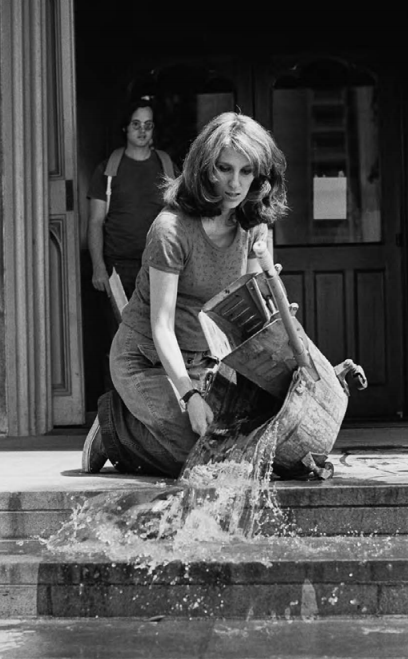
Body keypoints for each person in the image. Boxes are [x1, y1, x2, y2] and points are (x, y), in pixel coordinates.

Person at [82, 112, 288, 478]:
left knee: (249, 451)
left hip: (206, 362)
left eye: (246, 171)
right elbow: (161, 325)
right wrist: (189, 397)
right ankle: (115, 426)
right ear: (205, 168)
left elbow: (247, 314)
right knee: (206, 459)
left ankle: (146, 427)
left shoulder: (252, 225)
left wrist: (269, 291)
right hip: (144, 360)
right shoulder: (171, 230)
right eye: (224, 168)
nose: (234, 183)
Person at [87, 97, 177, 326]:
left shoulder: (167, 165)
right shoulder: (107, 170)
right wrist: (98, 267)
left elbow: (183, 217)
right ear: (125, 127)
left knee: (159, 333)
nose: (142, 130)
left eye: (148, 125)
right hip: (118, 268)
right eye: (136, 124)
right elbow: (95, 222)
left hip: (160, 265)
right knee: (123, 335)